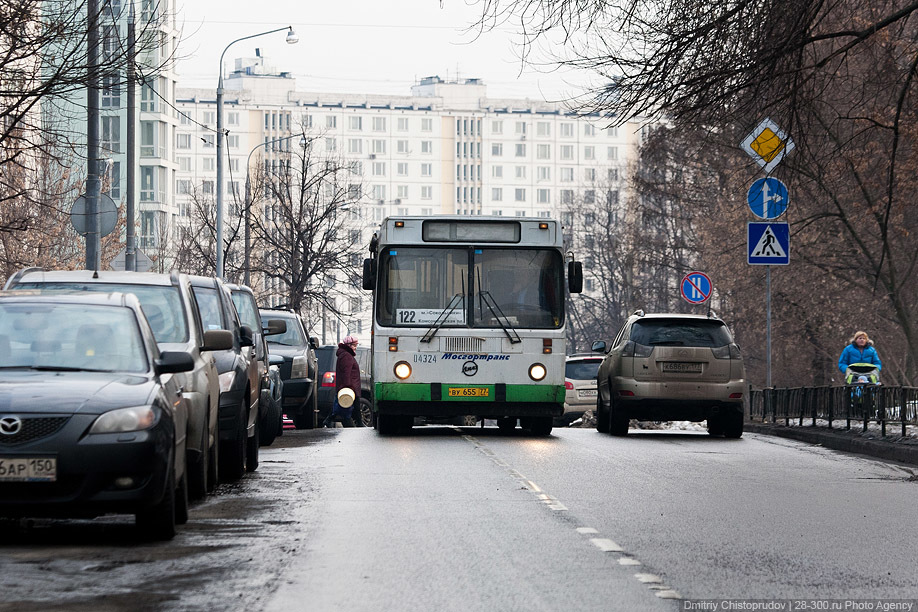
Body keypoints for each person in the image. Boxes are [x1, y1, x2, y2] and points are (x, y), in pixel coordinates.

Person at [323, 335, 360, 428]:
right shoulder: (346, 356)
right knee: (346, 405)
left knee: (343, 405)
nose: (355, 347)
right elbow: (346, 373)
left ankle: (329, 419)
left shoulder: (346, 355)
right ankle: (357, 423)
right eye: (354, 345)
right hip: (349, 387)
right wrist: (348, 386)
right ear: (349, 345)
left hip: (349, 386)